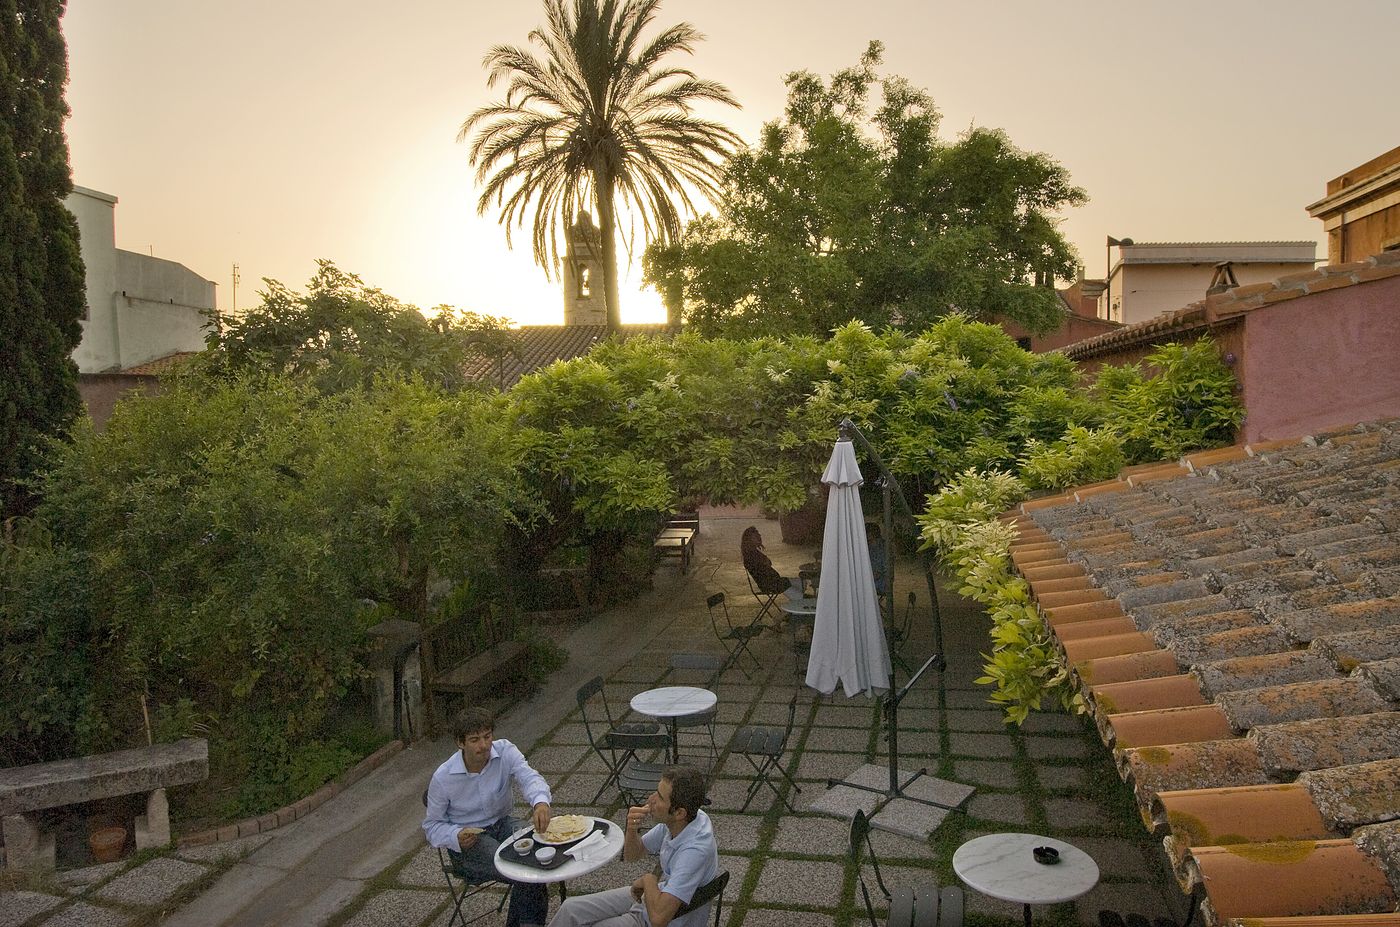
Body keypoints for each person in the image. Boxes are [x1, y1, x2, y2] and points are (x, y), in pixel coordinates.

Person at [423, 707, 552, 927]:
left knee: (540, 854)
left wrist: (540, 801)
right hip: (470, 841)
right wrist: (455, 835)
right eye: (474, 740)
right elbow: (431, 826)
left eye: (487, 737)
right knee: (524, 870)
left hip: (502, 824)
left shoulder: (505, 752)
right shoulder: (443, 777)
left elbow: (529, 776)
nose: (483, 746)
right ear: (460, 743)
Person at [547, 766, 718, 927]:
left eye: (659, 797)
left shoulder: (694, 852)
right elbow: (633, 855)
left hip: (664, 918)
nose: (651, 800)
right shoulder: (684, 819)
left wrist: (648, 879)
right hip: (654, 897)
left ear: (679, 813)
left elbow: (659, 919)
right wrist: (631, 828)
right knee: (570, 909)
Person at [740, 526, 803, 600]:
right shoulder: (751, 555)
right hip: (771, 585)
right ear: (749, 540)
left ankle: (797, 602)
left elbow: (768, 563)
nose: (759, 537)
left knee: (800, 583)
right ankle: (799, 602)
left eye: (759, 535)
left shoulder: (753, 552)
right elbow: (766, 564)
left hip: (774, 581)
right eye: (756, 536)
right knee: (799, 590)